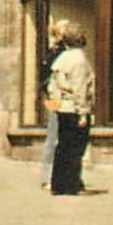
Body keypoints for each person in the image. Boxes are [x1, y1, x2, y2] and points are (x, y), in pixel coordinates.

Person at [47, 21, 95, 195]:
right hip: (75, 108)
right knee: (76, 148)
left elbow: (53, 85)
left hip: (63, 108)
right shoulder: (79, 59)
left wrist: (56, 103)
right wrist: (83, 113)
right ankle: (73, 184)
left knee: (63, 146)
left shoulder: (62, 58)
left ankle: (58, 184)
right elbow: (80, 88)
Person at [39, 19, 69, 189]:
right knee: (53, 135)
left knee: (57, 136)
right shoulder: (57, 53)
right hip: (55, 98)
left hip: (55, 97)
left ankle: (53, 175)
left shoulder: (59, 51)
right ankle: (48, 176)